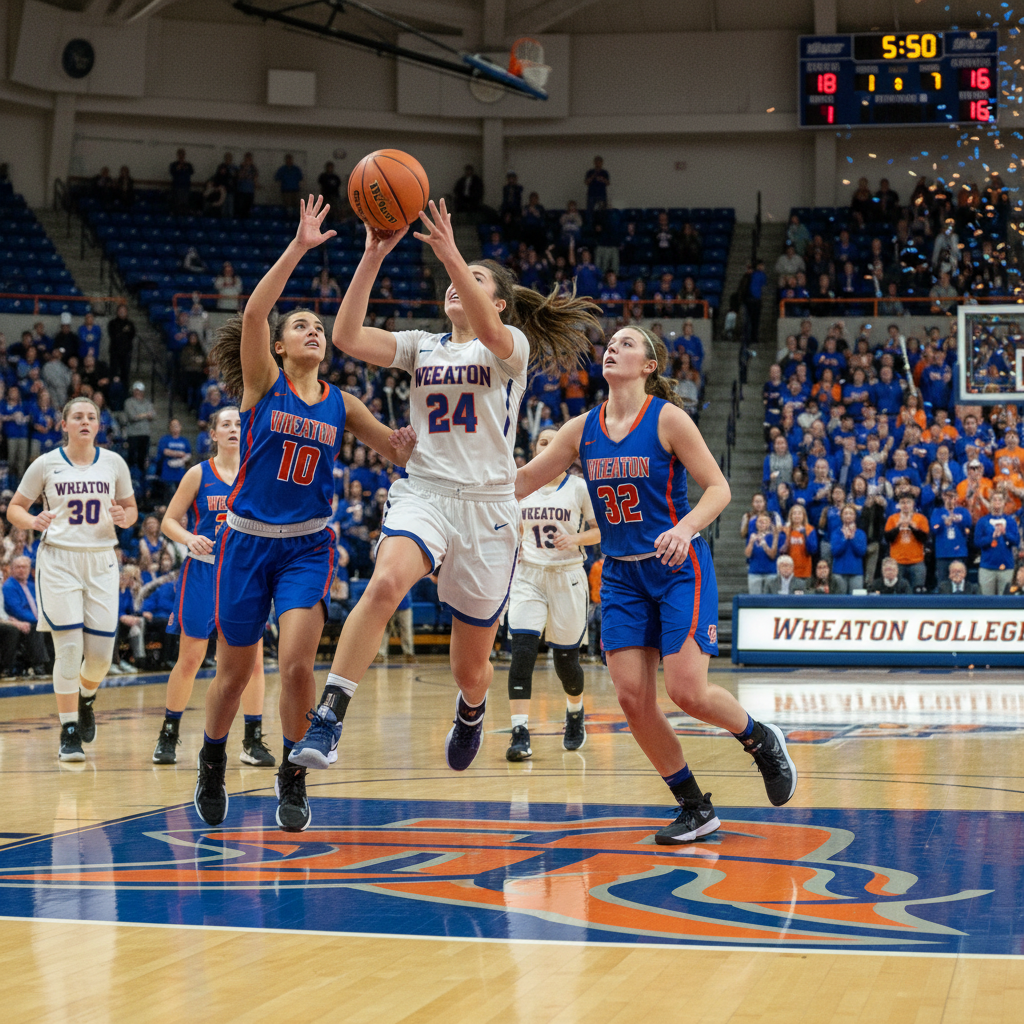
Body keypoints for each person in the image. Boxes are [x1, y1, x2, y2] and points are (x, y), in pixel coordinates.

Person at [289, 197, 599, 782]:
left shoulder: (509, 347)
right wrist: (372, 255)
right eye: (457, 279)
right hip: (426, 491)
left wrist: (453, 253)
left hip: (489, 510)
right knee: (386, 582)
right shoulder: (421, 345)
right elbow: (348, 336)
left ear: (499, 302)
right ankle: (329, 716)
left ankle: (472, 709)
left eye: (477, 280)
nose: (459, 284)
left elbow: (489, 327)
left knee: (469, 669)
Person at [514, 324, 796, 845]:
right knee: (631, 698)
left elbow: (719, 488)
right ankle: (694, 806)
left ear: (648, 366)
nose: (612, 348)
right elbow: (524, 481)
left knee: (686, 691)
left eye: (626, 343)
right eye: (610, 343)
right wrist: (458, 484)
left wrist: (685, 528)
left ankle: (759, 738)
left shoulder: (668, 419)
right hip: (622, 575)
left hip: (677, 567)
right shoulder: (580, 428)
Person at [193, 195, 417, 832]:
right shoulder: (263, 383)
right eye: (301, 325)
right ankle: (212, 759)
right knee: (235, 674)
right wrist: (299, 246)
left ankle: (292, 775)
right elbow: (254, 311)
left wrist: (409, 442)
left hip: (307, 547)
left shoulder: (343, 403)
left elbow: (395, 450)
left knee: (295, 665)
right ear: (280, 346)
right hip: (244, 542)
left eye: (319, 326)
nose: (314, 330)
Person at [6, 397, 137, 761]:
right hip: (58, 560)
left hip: (101, 561)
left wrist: (125, 518)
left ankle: (86, 697)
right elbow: (15, 508)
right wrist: (33, 521)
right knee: (67, 649)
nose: (85, 421)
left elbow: (130, 510)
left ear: (98, 424)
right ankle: (68, 731)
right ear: (63, 424)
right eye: (77, 416)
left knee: (100, 659)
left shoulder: (114, 463)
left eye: (91, 416)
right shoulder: (46, 463)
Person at [153, 407, 274, 766]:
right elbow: (168, 521)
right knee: (190, 659)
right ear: (214, 434)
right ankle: (168, 734)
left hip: (243, 576)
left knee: (252, 663)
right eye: (226, 424)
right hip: (203, 572)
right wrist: (189, 538)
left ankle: (252, 740)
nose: (234, 429)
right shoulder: (198, 473)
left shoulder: (258, 471)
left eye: (239, 423)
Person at [505, 427, 600, 761]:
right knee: (522, 653)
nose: (547, 446)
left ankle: (575, 711)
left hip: (567, 576)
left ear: (565, 450)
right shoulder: (519, 485)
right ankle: (519, 732)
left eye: (553, 442)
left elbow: (601, 531)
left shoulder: (579, 488)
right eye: (541, 442)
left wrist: (575, 539)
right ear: (534, 449)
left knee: (566, 663)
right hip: (528, 576)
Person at [975, 491, 1019, 595]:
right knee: (987, 601)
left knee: (1005, 600)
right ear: (990, 503)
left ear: (1004, 503)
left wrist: (1005, 533)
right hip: (987, 567)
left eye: (1000, 499)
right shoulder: (982, 521)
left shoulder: (1010, 521)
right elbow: (977, 542)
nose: (997, 502)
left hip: (1006, 567)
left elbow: (1016, 541)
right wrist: (991, 537)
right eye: (994, 499)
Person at [122, 382, 155, 477]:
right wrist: (145, 415)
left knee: (143, 457)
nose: (138, 393)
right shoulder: (129, 402)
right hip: (133, 434)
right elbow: (132, 416)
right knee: (132, 457)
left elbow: (152, 415)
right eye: (136, 390)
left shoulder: (147, 403)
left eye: (140, 391)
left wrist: (140, 415)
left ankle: (141, 477)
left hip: (145, 433)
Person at [108, 303, 136, 388]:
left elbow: (132, 335)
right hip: (115, 352)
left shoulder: (130, 324)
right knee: (114, 373)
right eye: (120, 311)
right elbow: (113, 335)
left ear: (127, 312)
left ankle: (125, 391)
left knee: (125, 373)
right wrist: (123, 331)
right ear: (117, 312)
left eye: (124, 311)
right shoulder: (112, 323)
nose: (122, 312)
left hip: (126, 353)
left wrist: (122, 332)